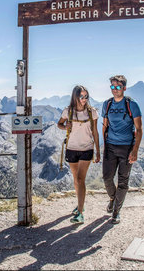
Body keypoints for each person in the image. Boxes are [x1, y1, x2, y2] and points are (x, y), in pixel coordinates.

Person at [102, 75, 143, 224]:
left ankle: (116, 211)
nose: (115, 90)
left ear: (124, 88)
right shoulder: (106, 104)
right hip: (110, 147)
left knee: (123, 181)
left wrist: (135, 150)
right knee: (107, 178)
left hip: (127, 148)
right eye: (112, 87)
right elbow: (105, 126)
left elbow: (139, 129)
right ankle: (113, 198)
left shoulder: (132, 105)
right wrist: (104, 145)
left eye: (118, 87)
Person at [57, 85, 101, 224]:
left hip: (87, 148)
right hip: (71, 148)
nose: (84, 99)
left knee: (81, 179)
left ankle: (80, 213)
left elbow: (95, 131)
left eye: (86, 96)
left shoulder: (92, 112)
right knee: (76, 179)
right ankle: (80, 204)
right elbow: (59, 124)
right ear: (75, 96)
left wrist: (98, 150)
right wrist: (65, 127)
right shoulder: (68, 111)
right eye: (81, 96)